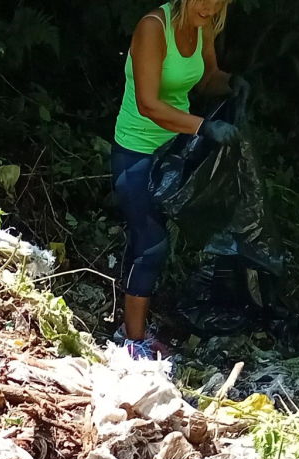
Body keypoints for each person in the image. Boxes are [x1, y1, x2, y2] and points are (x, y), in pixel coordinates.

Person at [112, 0, 246, 358]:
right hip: (137, 152)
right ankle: (131, 340)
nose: (210, 7)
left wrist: (232, 82)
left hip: (174, 152)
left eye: (218, 1)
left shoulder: (203, 25)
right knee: (150, 245)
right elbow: (148, 104)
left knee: (158, 241)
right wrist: (205, 127)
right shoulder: (154, 28)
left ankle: (134, 325)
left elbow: (206, 79)